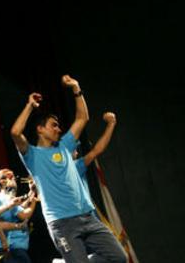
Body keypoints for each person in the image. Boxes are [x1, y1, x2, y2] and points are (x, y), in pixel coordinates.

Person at [9, 76, 127, 263]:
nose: (58, 129)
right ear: (40, 129)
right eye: (53, 125)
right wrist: (30, 106)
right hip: (62, 223)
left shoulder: (65, 145)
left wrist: (76, 88)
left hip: (88, 218)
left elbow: (82, 118)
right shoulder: (31, 155)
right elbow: (15, 132)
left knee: (119, 257)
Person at [0, 168, 39, 263]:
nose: (14, 179)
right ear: (2, 181)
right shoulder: (7, 198)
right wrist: (34, 201)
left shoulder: (1, 197)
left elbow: (20, 208)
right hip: (14, 247)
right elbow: (24, 214)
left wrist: (32, 192)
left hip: (13, 247)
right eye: (11, 177)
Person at [72, 112, 118, 196]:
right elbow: (97, 150)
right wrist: (111, 123)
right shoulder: (74, 166)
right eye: (74, 149)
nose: (77, 152)